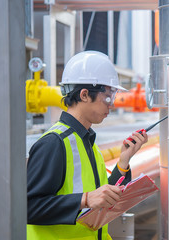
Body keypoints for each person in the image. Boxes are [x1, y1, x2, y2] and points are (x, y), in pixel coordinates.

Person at [27, 51, 148, 240]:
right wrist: (84, 200)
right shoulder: (54, 143)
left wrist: (123, 162)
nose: (111, 105)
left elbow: (100, 196)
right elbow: (29, 207)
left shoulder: (87, 142)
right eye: (107, 97)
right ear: (84, 94)